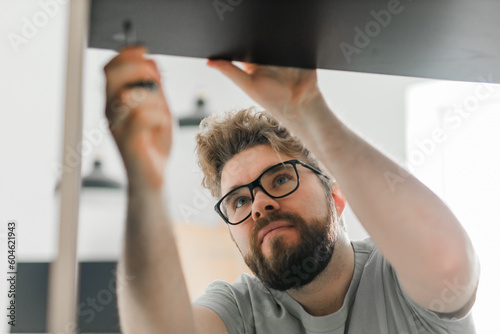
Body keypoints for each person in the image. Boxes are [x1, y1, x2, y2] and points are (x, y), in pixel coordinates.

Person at [103, 46, 480, 334]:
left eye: (281, 179)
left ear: (336, 196)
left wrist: (309, 109)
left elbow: (450, 269)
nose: (259, 205)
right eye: (238, 200)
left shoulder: (398, 276)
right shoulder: (240, 311)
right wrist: (144, 186)